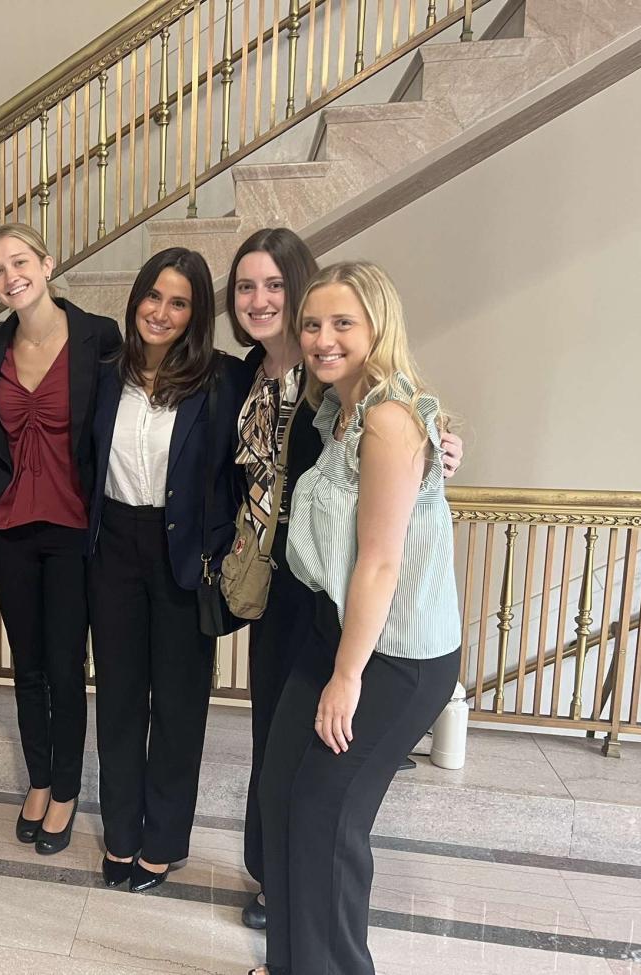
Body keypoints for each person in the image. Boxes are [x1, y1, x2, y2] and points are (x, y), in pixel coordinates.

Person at [223, 229, 463, 930]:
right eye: (314, 325)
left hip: (383, 643)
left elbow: (383, 558)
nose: (323, 337)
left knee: (325, 814)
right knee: (284, 792)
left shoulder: (384, 414)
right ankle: (292, 950)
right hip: (318, 613)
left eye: (341, 323)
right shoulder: (331, 407)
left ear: (376, 326)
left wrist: (347, 673)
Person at [87, 247, 244, 893]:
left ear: (196, 312)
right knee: (120, 700)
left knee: (178, 707)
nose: (161, 311)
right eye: (153, 295)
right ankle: (122, 832)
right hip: (114, 547)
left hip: (185, 558)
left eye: (178, 301)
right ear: (136, 299)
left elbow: (251, 458)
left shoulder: (224, 379)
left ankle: (163, 840)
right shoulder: (105, 373)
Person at [0, 224, 121, 854]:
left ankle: (65, 790)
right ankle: (38, 780)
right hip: (8, 526)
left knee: (65, 666)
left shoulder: (98, 336)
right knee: (26, 666)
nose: (10, 276)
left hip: (70, 527)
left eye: (20, 261)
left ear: (47, 262)